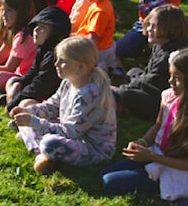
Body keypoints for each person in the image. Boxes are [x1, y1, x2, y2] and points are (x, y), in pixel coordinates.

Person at [101, 46, 188, 202]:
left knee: (109, 182)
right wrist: (142, 142)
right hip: (155, 156)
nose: (170, 81)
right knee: (103, 174)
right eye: (170, 75)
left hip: (174, 170)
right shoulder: (168, 96)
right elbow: (158, 126)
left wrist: (152, 156)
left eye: (177, 77)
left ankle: (160, 187)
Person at [11, 36, 117, 175]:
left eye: (63, 61)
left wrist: (33, 122)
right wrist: (28, 111)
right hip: (69, 131)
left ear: (80, 67)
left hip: (90, 147)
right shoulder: (68, 82)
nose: (56, 63)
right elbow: (52, 106)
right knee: (27, 106)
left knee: (49, 143)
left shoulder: (89, 94)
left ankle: (41, 148)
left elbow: (71, 132)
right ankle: (44, 152)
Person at [113, 5, 188, 120]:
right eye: (149, 25)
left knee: (125, 95)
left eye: (154, 26)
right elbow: (148, 73)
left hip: (166, 96)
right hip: (154, 86)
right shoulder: (159, 44)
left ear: (168, 28)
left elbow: (153, 81)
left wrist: (123, 89)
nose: (149, 29)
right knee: (133, 72)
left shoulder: (172, 55)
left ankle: (123, 102)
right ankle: (124, 102)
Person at [4, 6, 72, 112]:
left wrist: (13, 104)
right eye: (37, 25)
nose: (36, 30)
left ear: (55, 33)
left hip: (57, 100)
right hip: (44, 95)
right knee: (13, 82)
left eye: (43, 27)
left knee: (25, 104)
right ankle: (13, 101)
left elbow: (40, 86)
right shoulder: (44, 47)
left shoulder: (54, 56)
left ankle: (19, 110)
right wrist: (20, 83)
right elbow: (33, 72)